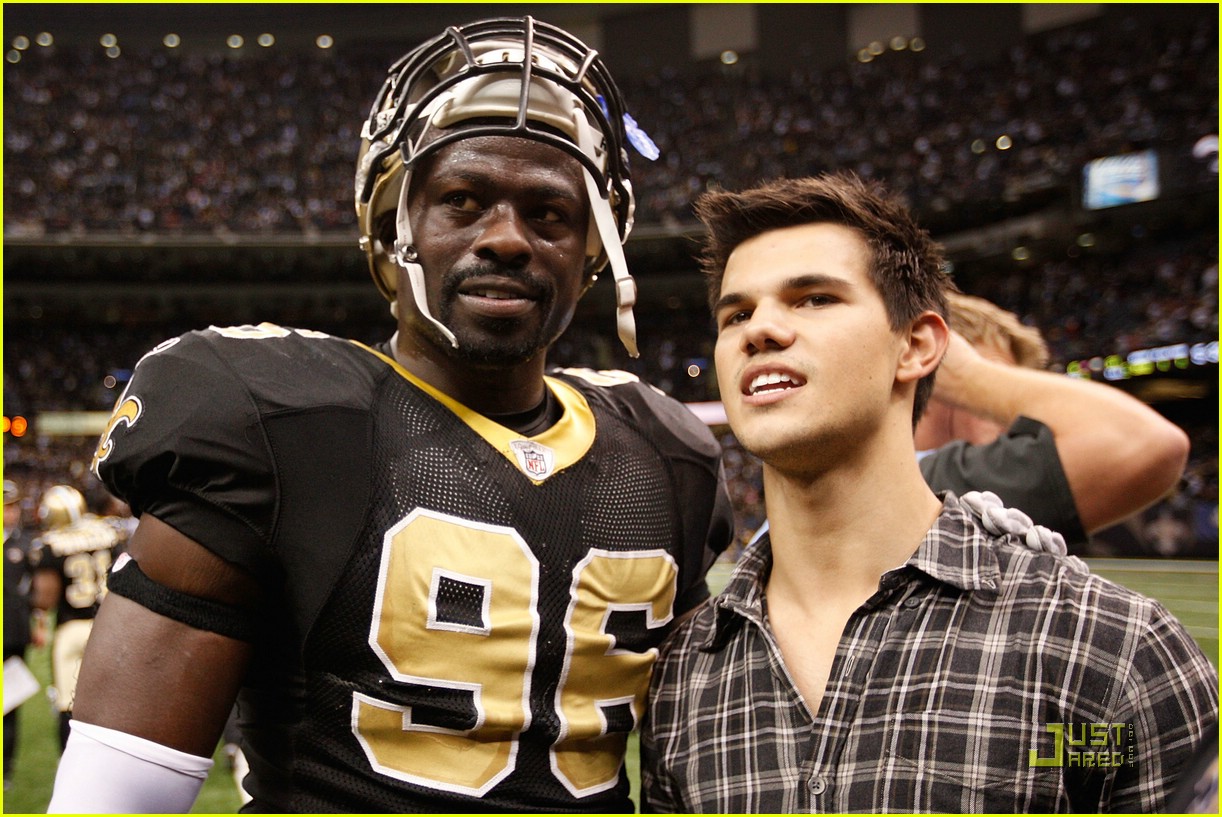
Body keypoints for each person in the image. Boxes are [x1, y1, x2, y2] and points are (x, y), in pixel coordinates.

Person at [49, 16, 734, 813]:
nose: (507, 238)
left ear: (592, 250)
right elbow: (119, 791)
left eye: (549, 213)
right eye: (463, 200)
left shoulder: (667, 452)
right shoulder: (276, 421)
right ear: (391, 230)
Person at [640, 173, 1218, 812]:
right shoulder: (681, 670)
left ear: (916, 345)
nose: (760, 330)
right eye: (736, 313)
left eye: (814, 299)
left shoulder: (1110, 646)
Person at [913, 291, 1190, 546]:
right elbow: (1146, 441)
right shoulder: (934, 482)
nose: (1010, 416)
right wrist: (969, 376)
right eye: (997, 382)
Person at [29, 484, 128, 751]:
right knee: (114, 699)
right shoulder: (108, 532)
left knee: (69, 704)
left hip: (72, 628)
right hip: (108, 624)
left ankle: (72, 761)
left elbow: (47, 599)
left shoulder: (50, 544)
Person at [3, 479, 39, 788]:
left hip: (13, 634)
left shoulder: (25, 544)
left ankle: (5, 769)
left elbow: (37, 594)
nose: (9, 513)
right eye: (5, 507)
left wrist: (37, 624)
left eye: (12, 507)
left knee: (9, 704)